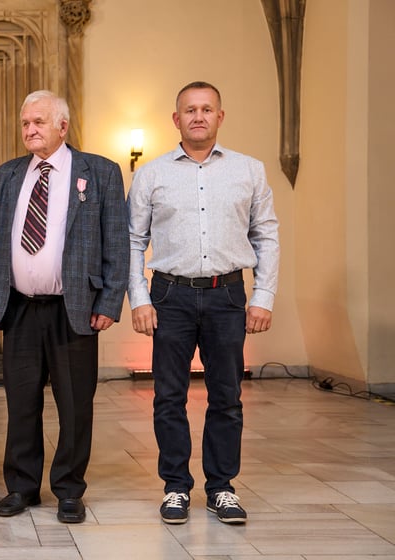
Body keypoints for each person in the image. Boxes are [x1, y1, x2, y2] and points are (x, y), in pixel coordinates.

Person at [127, 81, 279, 525]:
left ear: (220, 117)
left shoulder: (249, 170)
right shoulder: (151, 174)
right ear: (176, 120)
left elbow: (266, 235)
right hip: (169, 295)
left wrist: (263, 297)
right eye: (189, 110)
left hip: (228, 294)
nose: (198, 116)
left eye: (206, 109)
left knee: (227, 397)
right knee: (168, 396)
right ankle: (175, 487)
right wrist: (138, 297)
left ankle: (221, 488)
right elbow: (134, 240)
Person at [0, 90, 130, 524]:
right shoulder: (7, 176)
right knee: (21, 403)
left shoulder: (99, 172)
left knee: (74, 403)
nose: (30, 130)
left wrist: (109, 301)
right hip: (21, 309)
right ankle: (22, 487)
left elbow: (116, 243)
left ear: (62, 127)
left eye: (39, 123)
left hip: (76, 308)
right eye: (26, 123)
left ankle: (69, 489)